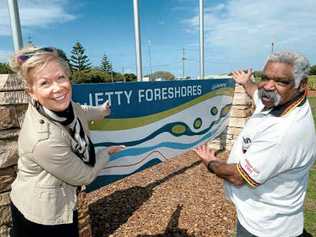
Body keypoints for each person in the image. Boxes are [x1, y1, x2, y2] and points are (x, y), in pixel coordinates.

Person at [194, 51, 316, 237]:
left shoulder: (283, 133)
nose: (267, 86)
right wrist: (246, 82)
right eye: (264, 77)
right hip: (264, 216)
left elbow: (237, 177)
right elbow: (256, 95)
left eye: (281, 81)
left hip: (265, 227)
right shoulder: (280, 101)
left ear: (302, 85)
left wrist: (210, 162)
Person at [9, 46, 124, 237]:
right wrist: (106, 154)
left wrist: (102, 111)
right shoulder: (43, 140)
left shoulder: (61, 105)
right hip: (42, 216)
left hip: (64, 198)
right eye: (45, 83)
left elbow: (81, 111)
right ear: (31, 91)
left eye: (61, 78)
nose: (57, 88)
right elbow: (84, 176)